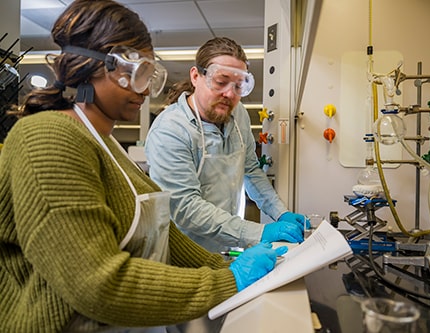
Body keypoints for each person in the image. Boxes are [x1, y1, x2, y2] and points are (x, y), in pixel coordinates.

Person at [0, 1, 287, 332]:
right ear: (88, 65)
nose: (146, 90)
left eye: (151, 75)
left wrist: (222, 267)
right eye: (135, 75)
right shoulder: (47, 138)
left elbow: (167, 235)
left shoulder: (105, 145)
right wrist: (226, 282)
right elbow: (97, 284)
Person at [145, 37, 310, 253]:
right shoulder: (170, 130)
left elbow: (250, 169)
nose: (230, 94)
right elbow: (185, 208)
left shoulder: (237, 114)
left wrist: (280, 212)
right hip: (185, 255)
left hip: (229, 247)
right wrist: (258, 233)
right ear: (196, 76)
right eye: (221, 82)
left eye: (239, 86)